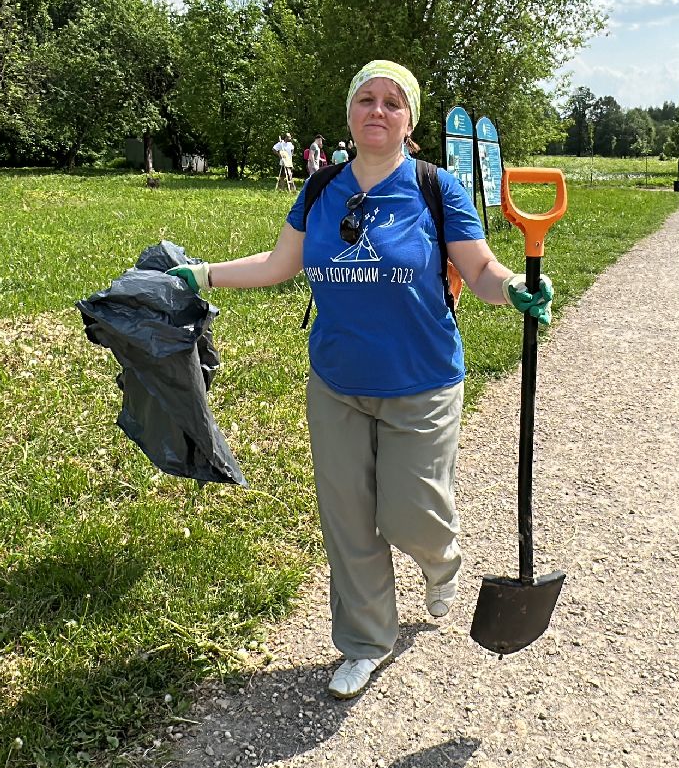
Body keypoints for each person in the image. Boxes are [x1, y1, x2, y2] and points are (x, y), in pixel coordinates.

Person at [164, 60, 553, 700]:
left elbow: (480, 270)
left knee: (411, 513)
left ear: (409, 120)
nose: (378, 110)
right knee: (348, 521)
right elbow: (280, 262)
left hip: (422, 380)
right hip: (337, 381)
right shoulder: (321, 188)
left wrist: (514, 287)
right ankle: (366, 642)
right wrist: (202, 274)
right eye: (366, 99)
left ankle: (440, 558)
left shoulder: (435, 187)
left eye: (392, 102)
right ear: (349, 112)